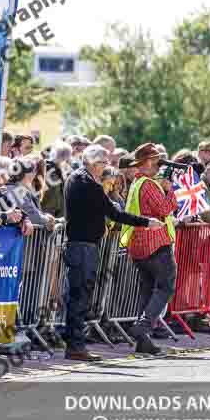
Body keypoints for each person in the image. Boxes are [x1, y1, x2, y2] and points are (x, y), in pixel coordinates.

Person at [63, 145, 164, 361]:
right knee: (80, 298)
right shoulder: (88, 183)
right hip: (84, 247)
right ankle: (75, 345)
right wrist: (146, 222)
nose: (104, 168)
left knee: (78, 297)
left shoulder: (76, 179)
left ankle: (74, 343)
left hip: (81, 245)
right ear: (94, 163)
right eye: (102, 163)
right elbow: (114, 213)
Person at [119, 144, 179, 356]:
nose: (158, 164)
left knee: (147, 290)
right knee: (166, 286)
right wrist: (169, 190)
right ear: (145, 162)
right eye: (155, 160)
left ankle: (143, 341)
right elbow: (164, 209)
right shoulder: (149, 184)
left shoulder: (137, 182)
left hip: (139, 246)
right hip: (155, 244)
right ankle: (143, 326)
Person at [5, 157, 55, 229]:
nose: (35, 174)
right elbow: (33, 216)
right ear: (25, 173)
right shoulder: (18, 191)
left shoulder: (12, 188)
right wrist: (48, 219)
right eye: (33, 171)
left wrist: (46, 217)